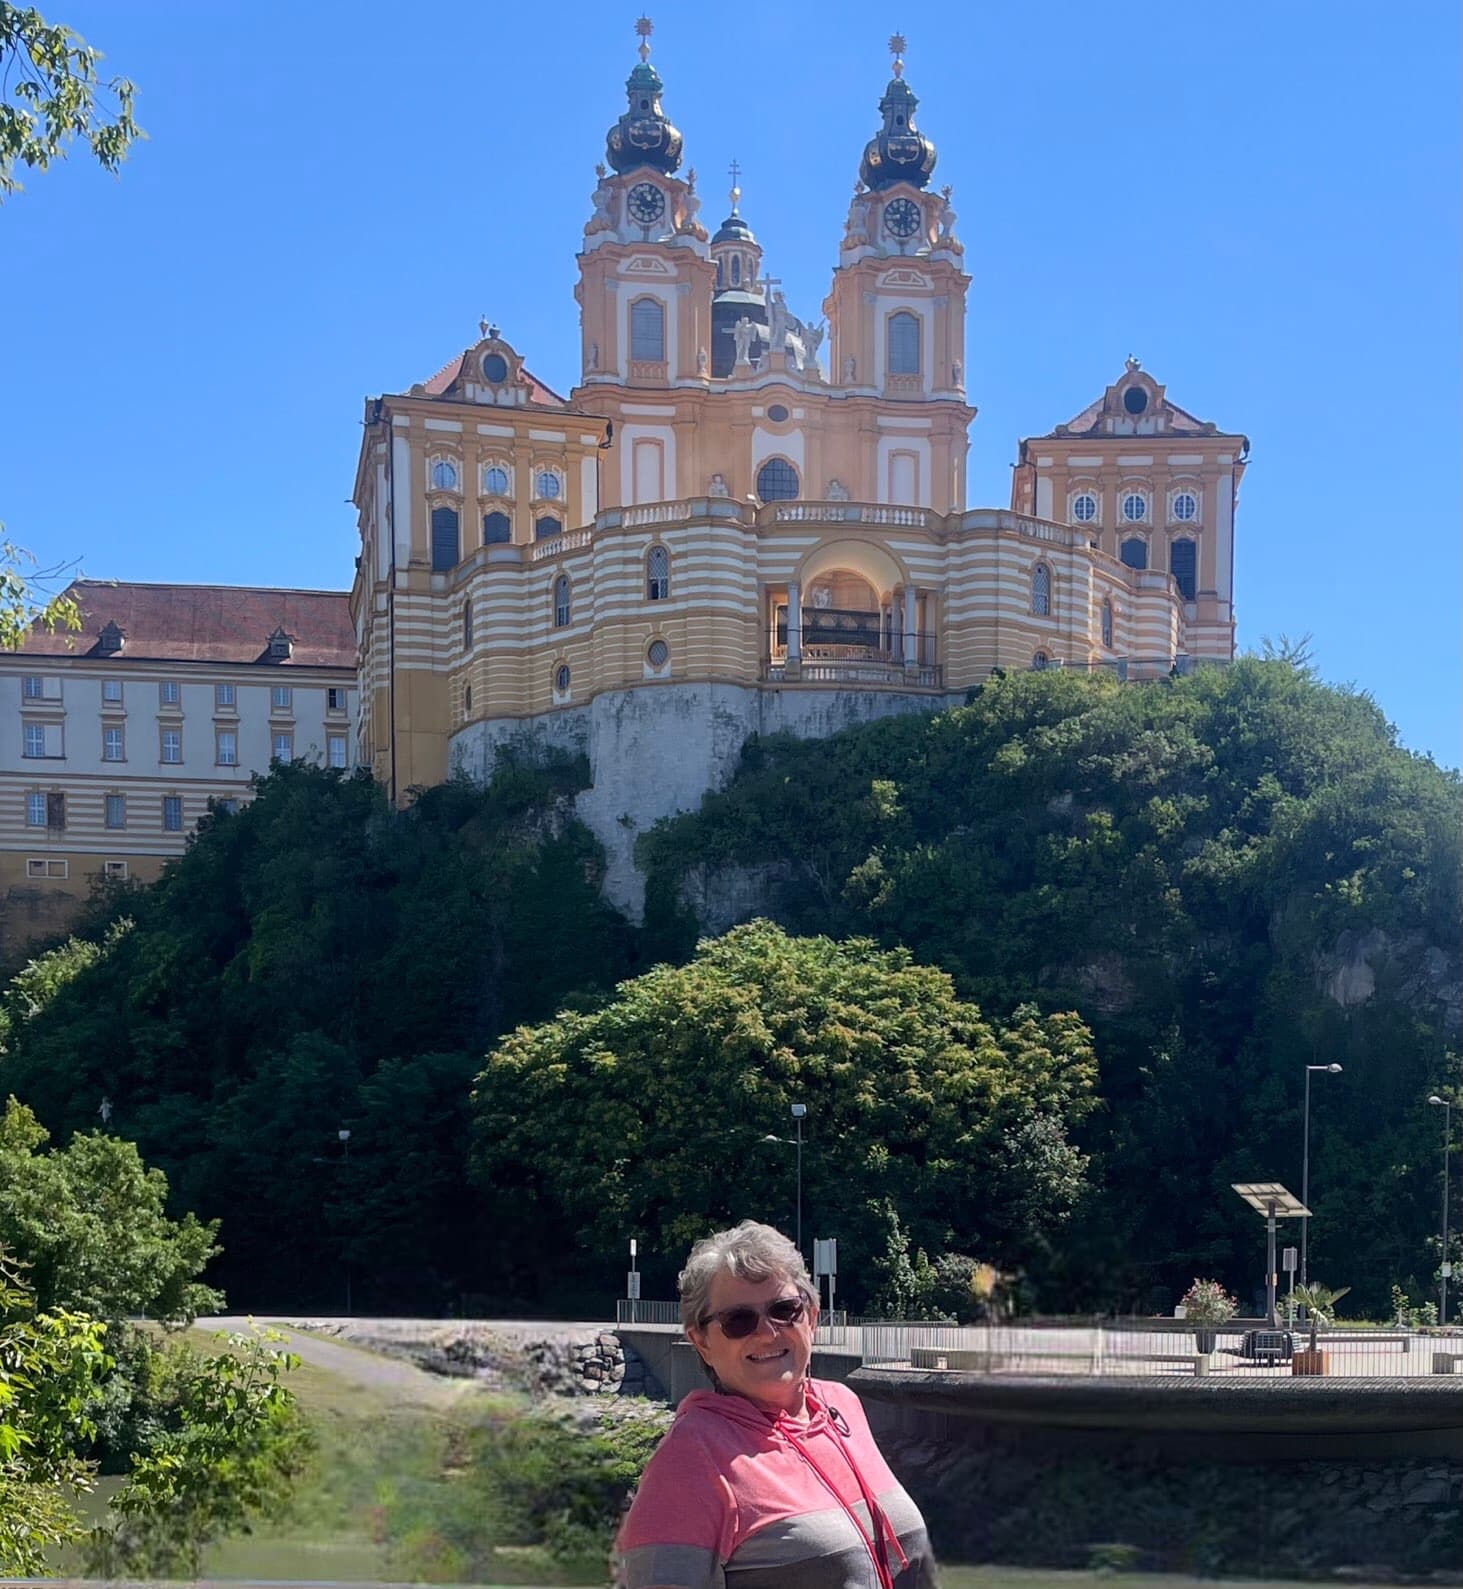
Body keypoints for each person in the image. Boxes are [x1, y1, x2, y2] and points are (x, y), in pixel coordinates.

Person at [616, 1220, 938, 1587]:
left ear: (812, 1317)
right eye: (738, 1320)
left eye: (784, 1309)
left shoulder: (841, 1406)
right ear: (701, 1341)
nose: (768, 1332)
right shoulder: (690, 1456)